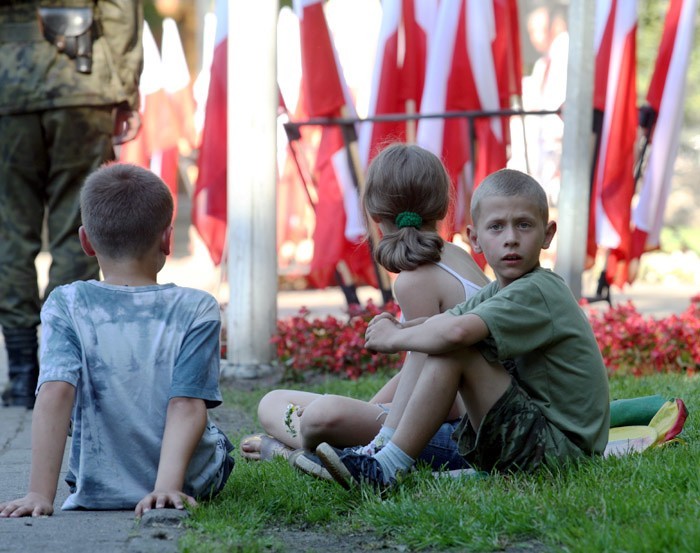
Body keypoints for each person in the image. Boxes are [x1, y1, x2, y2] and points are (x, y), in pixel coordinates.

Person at [315, 168, 610, 489]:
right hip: (537, 435)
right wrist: (399, 326)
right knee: (446, 340)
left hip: (560, 451)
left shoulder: (538, 290)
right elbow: (441, 323)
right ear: (475, 239)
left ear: (548, 234)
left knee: (455, 348)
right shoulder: (501, 290)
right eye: (496, 227)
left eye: (523, 225)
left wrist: (394, 338)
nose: (511, 237)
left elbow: (455, 333)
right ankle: (383, 452)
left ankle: (387, 466)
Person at [0, 163, 234, 518]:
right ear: (167, 239)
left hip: (97, 484)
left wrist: (38, 494)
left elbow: (55, 392)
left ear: (85, 242)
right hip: (185, 481)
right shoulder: (198, 307)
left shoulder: (66, 303)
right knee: (220, 443)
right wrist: (166, 490)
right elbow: (186, 403)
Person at [241, 143, 490, 476]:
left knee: (319, 414)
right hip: (450, 419)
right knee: (273, 401)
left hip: (451, 433)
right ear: (444, 205)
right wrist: (371, 412)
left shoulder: (414, 282)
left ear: (373, 214)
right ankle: (327, 447)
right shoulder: (458, 256)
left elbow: (432, 381)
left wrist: (382, 434)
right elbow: (422, 366)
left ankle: (293, 451)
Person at [0, 0, 143, 408]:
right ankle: (57, 369)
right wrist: (125, 88)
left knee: (10, 230)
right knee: (77, 227)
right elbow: (120, 10)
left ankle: (22, 370)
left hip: (7, 88)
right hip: (82, 83)